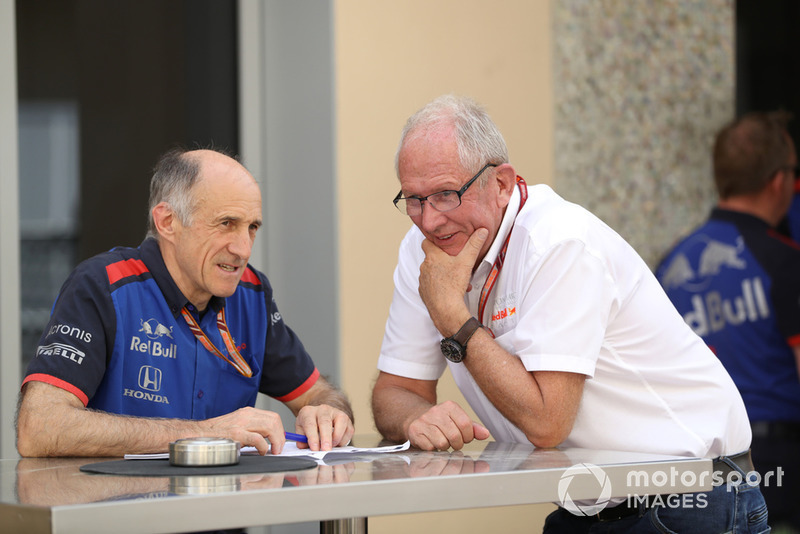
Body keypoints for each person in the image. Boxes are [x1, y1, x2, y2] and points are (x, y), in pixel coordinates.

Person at [371, 94, 768, 533]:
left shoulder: (558, 241)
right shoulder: (423, 253)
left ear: (501, 183)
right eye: (413, 200)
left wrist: (454, 319)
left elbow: (547, 422)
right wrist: (412, 418)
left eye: (446, 194)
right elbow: (394, 389)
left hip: (691, 496)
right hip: (589, 504)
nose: (429, 221)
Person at [16, 147, 354, 458]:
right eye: (226, 224)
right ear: (167, 222)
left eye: (251, 227)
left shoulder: (251, 293)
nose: (243, 249)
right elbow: (41, 427)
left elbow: (318, 393)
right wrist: (204, 434)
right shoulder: (101, 286)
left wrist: (328, 412)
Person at [657, 110, 800, 532]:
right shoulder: (784, 260)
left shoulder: (670, 264)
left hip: (690, 471)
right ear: (779, 180)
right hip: (777, 466)